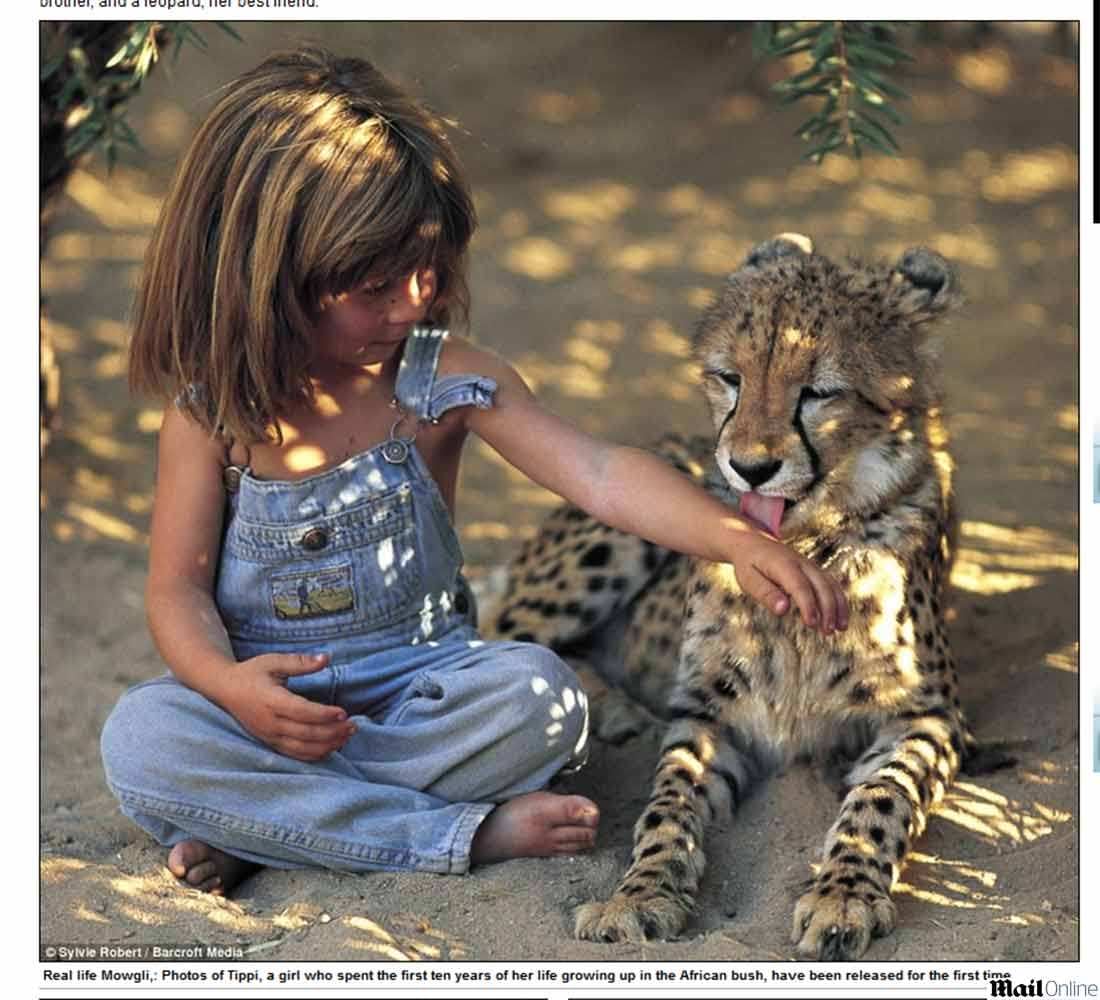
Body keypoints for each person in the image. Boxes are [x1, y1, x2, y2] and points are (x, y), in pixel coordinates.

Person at [100, 47, 848, 897]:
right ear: (264, 279)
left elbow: (598, 472)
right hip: (264, 714)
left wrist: (731, 538)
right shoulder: (210, 419)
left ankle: (278, 826)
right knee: (142, 735)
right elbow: (178, 592)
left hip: (424, 693)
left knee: (544, 700)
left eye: (430, 269)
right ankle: (451, 833)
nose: (415, 300)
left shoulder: (443, 378)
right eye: (377, 285)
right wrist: (228, 688)